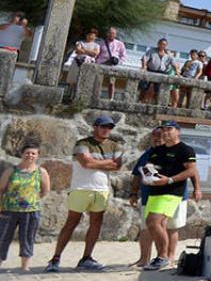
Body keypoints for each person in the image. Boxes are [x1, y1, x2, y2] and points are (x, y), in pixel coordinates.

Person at [46, 116, 123, 272]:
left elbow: (117, 166)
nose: (106, 129)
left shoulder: (114, 146)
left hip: (101, 190)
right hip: (81, 188)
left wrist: (96, 163)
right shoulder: (82, 143)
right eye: (103, 126)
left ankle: (86, 258)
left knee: (96, 224)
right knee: (71, 223)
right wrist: (105, 163)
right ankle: (55, 258)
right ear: (95, 127)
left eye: (109, 127)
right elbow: (86, 163)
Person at [140, 121, 200, 271]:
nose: (165, 132)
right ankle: (161, 256)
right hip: (155, 192)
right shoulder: (157, 150)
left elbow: (191, 171)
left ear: (178, 131)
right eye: (163, 130)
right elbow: (148, 168)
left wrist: (170, 180)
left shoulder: (185, 150)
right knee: (154, 224)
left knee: (154, 222)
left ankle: (163, 257)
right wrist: (148, 177)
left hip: (172, 192)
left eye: (169, 129)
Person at [0, 143, 51, 271]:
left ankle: (25, 266)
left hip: (31, 211)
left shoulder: (41, 172)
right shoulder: (12, 170)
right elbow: (1, 188)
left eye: (33, 153)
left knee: (27, 238)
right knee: (2, 237)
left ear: (37, 155)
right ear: (22, 154)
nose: (30, 155)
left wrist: (33, 199)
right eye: (27, 153)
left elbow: (45, 190)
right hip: (9, 210)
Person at [128, 128, 163, 267]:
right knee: (145, 229)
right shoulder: (146, 154)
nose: (156, 138)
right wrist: (133, 193)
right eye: (154, 135)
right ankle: (144, 259)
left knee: (162, 229)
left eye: (159, 135)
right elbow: (137, 175)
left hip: (164, 198)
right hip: (147, 197)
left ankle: (162, 258)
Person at [94, 27, 127, 99]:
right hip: (101, 64)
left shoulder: (120, 43)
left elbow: (123, 55)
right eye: (110, 33)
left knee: (111, 83)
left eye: (113, 33)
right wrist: (96, 62)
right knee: (98, 81)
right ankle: (95, 97)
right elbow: (96, 54)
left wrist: (118, 62)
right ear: (107, 34)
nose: (112, 35)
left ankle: (110, 99)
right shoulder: (101, 43)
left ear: (115, 34)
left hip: (112, 66)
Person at [140, 38, 175, 104]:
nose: (162, 46)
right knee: (144, 86)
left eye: (164, 44)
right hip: (151, 70)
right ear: (158, 44)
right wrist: (144, 67)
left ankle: (156, 103)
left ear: (166, 45)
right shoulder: (151, 50)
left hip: (162, 72)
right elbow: (144, 59)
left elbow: (173, 63)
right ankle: (141, 101)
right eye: (161, 44)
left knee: (159, 89)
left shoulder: (168, 53)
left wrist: (177, 71)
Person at [66, 28, 100, 92]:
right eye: (89, 34)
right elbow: (78, 50)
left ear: (95, 37)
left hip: (89, 63)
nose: (90, 36)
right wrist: (90, 52)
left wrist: (83, 50)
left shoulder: (97, 45)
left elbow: (96, 53)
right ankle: (70, 93)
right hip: (77, 62)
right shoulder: (80, 42)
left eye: (93, 35)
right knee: (74, 78)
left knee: (85, 79)